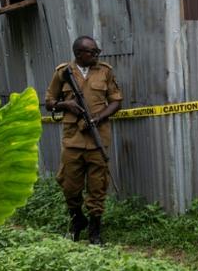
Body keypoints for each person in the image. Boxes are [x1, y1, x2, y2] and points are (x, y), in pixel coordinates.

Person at [45, 36, 122, 243]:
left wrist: (98, 118)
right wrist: (66, 105)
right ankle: (77, 220)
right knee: (70, 185)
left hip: (97, 139)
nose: (97, 55)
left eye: (97, 51)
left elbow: (116, 101)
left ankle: (95, 231)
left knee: (97, 186)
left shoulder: (105, 71)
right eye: (93, 52)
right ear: (79, 54)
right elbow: (49, 102)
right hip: (73, 139)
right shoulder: (62, 72)